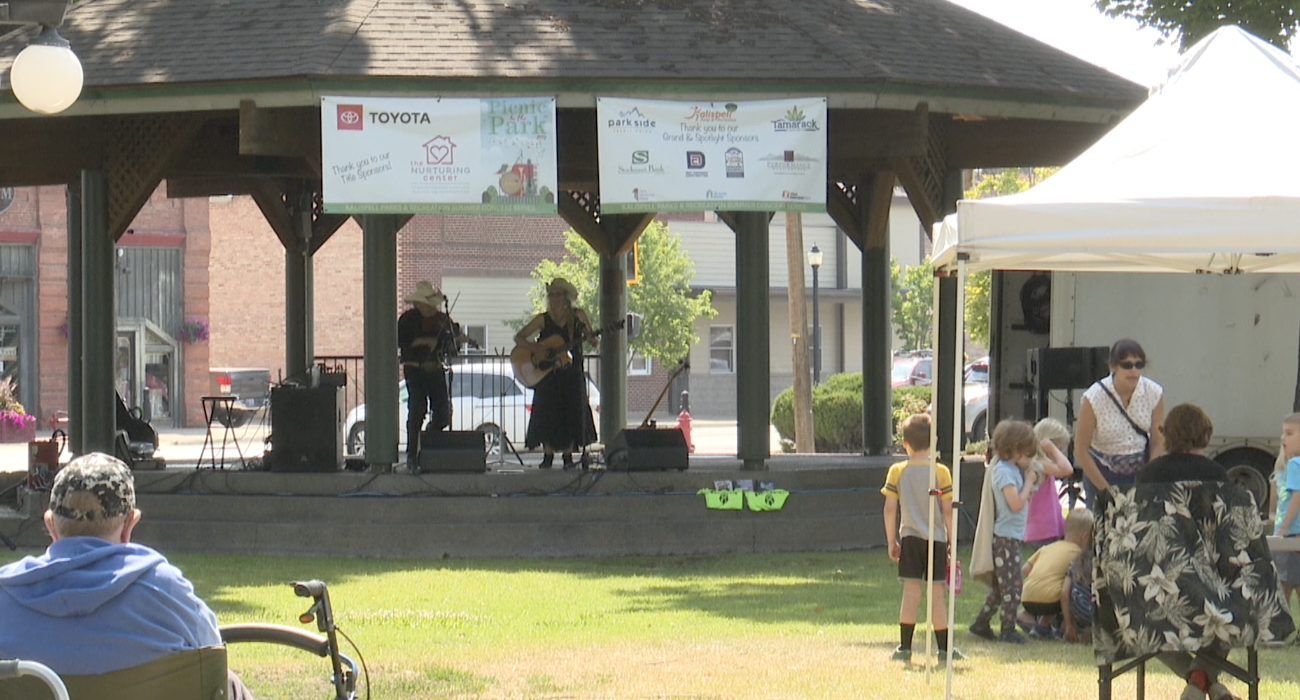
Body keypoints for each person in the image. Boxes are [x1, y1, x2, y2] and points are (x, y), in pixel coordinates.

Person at [0, 452, 252, 698]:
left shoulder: (4, 595)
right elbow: (210, 651)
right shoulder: (166, 591)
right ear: (129, 525)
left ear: (50, 525)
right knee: (228, 682)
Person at [1130, 403, 1238, 700]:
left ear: (1168, 435)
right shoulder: (1216, 474)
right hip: (1208, 587)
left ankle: (1198, 681)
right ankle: (1203, 680)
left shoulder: (1146, 476)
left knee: (1141, 621)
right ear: (1205, 435)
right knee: (1234, 609)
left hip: (1155, 584)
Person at [881, 414, 963, 662]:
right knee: (937, 594)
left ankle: (905, 647)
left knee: (911, 592)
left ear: (904, 443)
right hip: (936, 539)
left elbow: (889, 509)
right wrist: (952, 541)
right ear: (934, 442)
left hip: (910, 537)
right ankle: (944, 649)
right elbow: (948, 510)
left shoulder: (897, 471)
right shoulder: (941, 472)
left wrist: (891, 541)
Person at [970, 420, 1041, 644]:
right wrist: (1029, 482)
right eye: (1028, 453)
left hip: (1011, 536)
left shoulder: (1010, 469)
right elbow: (1015, 504)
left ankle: (981, 623)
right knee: (1013, 586)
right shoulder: (1003, 472)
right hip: (1005, 538)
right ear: (1016, 449)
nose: (1030, 458)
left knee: (1002, 588)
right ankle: (1007, 629)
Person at [515, 278, 598, 469]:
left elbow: (594, 341)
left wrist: (590, 337)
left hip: (571, 371)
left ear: (566, 298)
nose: (553, 299)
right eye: (551, 295)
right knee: (546, 413)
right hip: (548, 374)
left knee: (572, 411)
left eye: (557, 295)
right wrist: (536, 348)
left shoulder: (577, 316)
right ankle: (548, 455)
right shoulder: (543, 319)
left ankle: (569, 455)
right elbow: (518, 337)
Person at [1075, 338, 1166, 505]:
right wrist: (1107, 491)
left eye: (1139, 365)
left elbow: (1157, 439)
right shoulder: (1094, 397)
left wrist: (1148, 476)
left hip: (1140, 471)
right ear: (1113, 367)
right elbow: (1081, 450)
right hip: (1102, 472)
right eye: (1127, 365)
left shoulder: (1154, 392)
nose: (1134, 370)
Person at [398, 281, 463, 464]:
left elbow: (449, 346)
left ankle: (428, 442)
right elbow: (401, 342)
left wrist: (454, 342)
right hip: (415, 370)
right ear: (418, 304)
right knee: (417, 410)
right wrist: (424, 341)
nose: (431, 309)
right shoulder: (407, 320)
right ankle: (412, 454)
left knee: (443, 413)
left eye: (432, 305)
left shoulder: (442, 320)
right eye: (426, 305)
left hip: (435, 370)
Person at [1017, 508, 1094, 639]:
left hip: (1026, 597)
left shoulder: (1048, 547)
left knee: (1052, 585)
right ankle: (1059, 627)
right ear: (1085, 537)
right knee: (1070, 588)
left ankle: (1031, 620)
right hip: (1051, 601)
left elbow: (1025, 569)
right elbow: (1065, 593)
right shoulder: (1078, 555)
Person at [1024, 418, 1076, 549]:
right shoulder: (1040, 464)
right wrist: (1052, 449)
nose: (1060, 452)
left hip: (1044, 526)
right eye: (1059, 448)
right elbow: (1067, 469)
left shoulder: (1037, 463)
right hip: (1043, 529)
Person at [1272, 413, 1300, 627]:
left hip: (1290, 534)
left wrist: (1281, 528)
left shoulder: (1295, 465)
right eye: (1283, 432)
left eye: (1289, 433)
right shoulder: (1286, 466)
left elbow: (1296, 497)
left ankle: (1281, 627)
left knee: (1283, 582)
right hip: (1291, 532)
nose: (1283, 437)